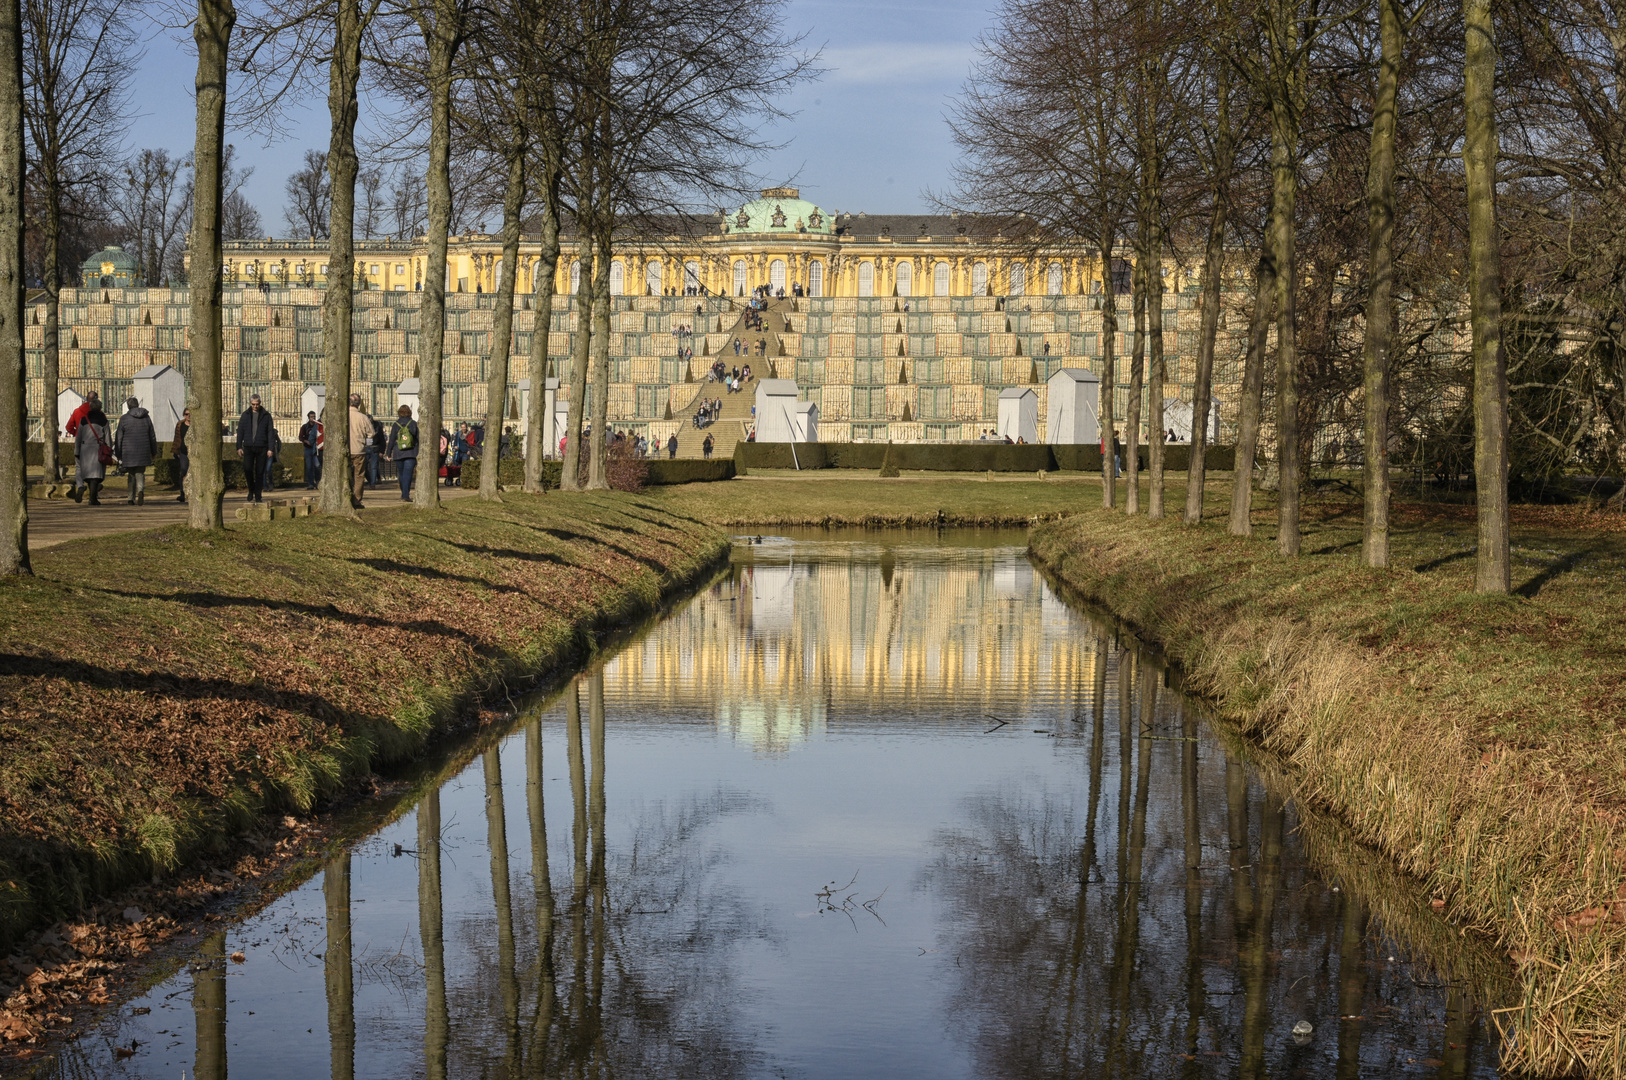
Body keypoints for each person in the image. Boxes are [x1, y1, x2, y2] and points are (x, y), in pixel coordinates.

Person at [113, 397, 158, 505]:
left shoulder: (124, 419)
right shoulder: (146, 418)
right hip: (144, 449)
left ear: (128, 406)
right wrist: (154, 451)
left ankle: (130, 498)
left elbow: (119, 437)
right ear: (137, 405)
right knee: (140, 472)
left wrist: (118, 453)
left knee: (131, 474)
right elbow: (152, 436)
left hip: (128, 451)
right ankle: (141, 490)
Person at [235, 394, 275, 503]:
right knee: (247, 469)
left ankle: (258, 495)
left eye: (257, 404)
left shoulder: (266, 416)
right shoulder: (245, 415)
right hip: (248, 447)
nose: (255, 406)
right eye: (253, 404)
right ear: (250, 404)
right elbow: (240, 432)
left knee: (260, 472)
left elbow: (270, 433)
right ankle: (251, 490)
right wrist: (238, 446)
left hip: (262, 447)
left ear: (260, 404)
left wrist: (270, 448)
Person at [70, 404, 110, 504]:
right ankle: (93, 499)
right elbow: (108, 437)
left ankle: (85, 490)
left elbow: (78, 437)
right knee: (96, 475)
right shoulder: (103, 420)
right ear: (100, 408)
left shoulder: (84, 420)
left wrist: (77, 451)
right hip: (98, 448)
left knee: (86, 473)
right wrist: (108, 449)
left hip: (85, 448)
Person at [347, 393, 372, 508]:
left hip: (346, 449)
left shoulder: (343, 415)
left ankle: (345, 497)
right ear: (359, 404)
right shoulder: (363, 417)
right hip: (359, 449)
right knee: (359, 475)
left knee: (345, 474)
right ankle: (357, 499)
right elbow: (371, 433)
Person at [390, 404, 419, 500]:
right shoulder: (413, 423)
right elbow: (418, 438)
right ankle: (405, 495)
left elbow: (391, 439)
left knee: (401, 473)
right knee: (408, 474)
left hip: (398, 452)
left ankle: (404, 492)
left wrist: (388, 452)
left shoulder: (396, 424)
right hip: (411, 452)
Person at [299, 410, 323, 489]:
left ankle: (318, 481)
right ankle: (310, 483)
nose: (313, 418)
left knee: (317, 466)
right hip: (308, 448)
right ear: (308, 418)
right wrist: (306, 441)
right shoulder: (305, 427)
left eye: (314, 417)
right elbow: (301, 437)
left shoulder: (317, 425)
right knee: (309, 466)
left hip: (315, 449)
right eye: (311, 417)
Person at [172, 408, 191, 503]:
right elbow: (177, 438)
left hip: (195, 453)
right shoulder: (180, 425)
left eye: (190, 414)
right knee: (183, 472)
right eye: (187, 414)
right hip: (183, 452)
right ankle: (182, 493)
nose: (188, 416)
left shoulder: (196, 426)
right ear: (184, 415)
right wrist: (176, 451)